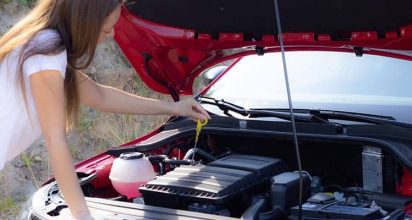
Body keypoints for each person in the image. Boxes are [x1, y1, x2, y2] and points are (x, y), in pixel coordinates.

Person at [0, 0, 210, 219]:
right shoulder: (46, 52)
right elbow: (55, 140)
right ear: (85, 24)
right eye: (107, 29)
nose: (111, 35)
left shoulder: (44, 44)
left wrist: (174, 107)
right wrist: (81, 213)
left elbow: (100, 96)